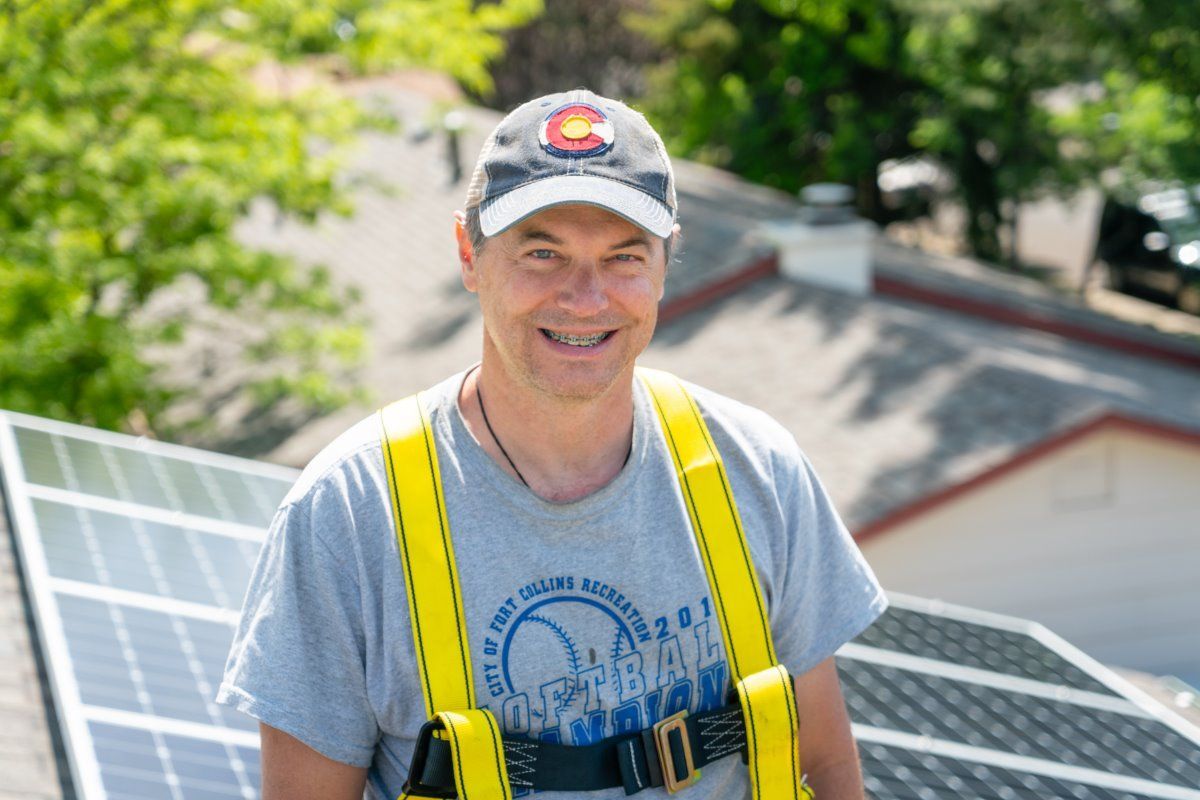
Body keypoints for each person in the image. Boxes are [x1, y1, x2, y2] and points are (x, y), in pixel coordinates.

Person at [217, 88, 887, 800]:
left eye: (625, 257)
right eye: (543, 252)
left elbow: (824, 761)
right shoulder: (349, 518)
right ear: (468, 255)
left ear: (665, 264)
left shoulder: (755, 468)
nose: (586, 298)